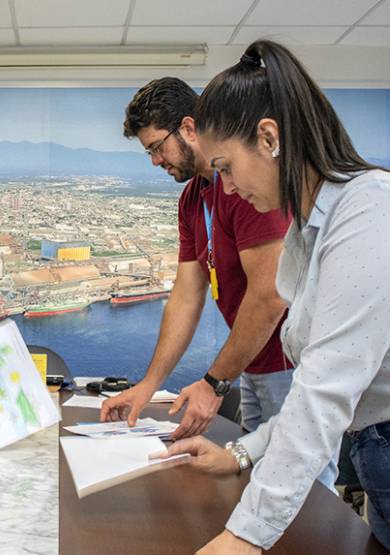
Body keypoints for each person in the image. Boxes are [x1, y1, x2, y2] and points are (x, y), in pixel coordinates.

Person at [153, 40, 390, 553]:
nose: (230, 189)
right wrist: (241, 452)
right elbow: (315, 388)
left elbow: (323, 395)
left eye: (228, 167)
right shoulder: (310, 231)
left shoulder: (368, 212)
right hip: (374, 446)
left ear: (269, 137)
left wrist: (244, 537)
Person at [102, 77, 294, 442]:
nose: (157, 161)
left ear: (188, 127)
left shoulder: (248, 186)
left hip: (286, 363)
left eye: (158, 147)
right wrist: (149, 385)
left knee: (301, 486)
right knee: (259, 477)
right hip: (250, 362)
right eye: (149, 153)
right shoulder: (192, 199)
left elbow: (270, 295)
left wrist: (213, 383)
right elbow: (187, 295)